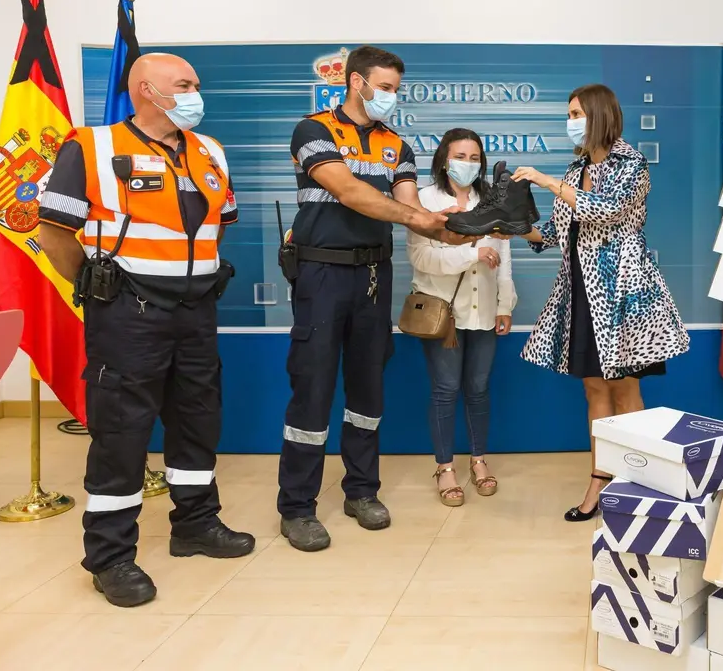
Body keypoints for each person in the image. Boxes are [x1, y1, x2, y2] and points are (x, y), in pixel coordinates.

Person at [38, 53, 255, 608]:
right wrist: (95, 280)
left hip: (197, 309)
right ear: (145, 89)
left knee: (197, 418)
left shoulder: (211, 152)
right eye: (184, 84)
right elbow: (54, 230)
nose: (194, 93)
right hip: (126, 313)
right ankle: (110, 556)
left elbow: (215, 229)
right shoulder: (91, 146)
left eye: (196, 84)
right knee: (122, 430)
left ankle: (196, 525)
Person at [277, 45, 473, 551]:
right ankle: (297, 507)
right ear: (356, 81)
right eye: (384, 87)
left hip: (372, 275)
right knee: (314, 388)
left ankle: (361, 492)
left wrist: (470, 230)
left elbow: (409, 207)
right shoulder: (314, 130)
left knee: (367, 391)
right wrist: (422, 220)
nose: (390, 97)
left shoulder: (396, 145)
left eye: (395, 90)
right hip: (321, 273)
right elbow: (350, 192)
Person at [513, 84, 689, 522]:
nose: (571, 121)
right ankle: (601, 476)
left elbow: (604, 210)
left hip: (621, 294)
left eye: (576, 112)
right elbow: (555, 232)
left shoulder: (631, 163)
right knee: (593, 387)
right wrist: (513, 223)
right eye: (568, 113)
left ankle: (638, 481)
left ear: (599, 115)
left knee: (626, 387)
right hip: (580, 293)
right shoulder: (575, 170)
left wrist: (547, 181)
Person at [406, 129, 517, 506]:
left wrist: (505, 303)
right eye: (460, 156)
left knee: (479, 388)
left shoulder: (491, 200)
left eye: (474, 158)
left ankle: (479, 460)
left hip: (484, 308)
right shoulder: (423, 200)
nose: (467, 164)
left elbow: (503, 257)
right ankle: (445, 467)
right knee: (445, 389)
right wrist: (471, 255)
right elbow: (422, 259)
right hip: (443, 312)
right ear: (442, 159)